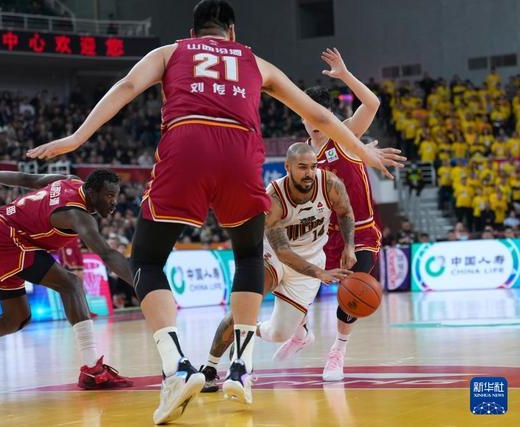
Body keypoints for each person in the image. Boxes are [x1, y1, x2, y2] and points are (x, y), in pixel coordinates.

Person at [27, 2, 404, 423]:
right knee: (248, 258)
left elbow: (127, 86)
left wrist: (77, 138)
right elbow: (319, 115)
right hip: (239, 154)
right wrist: (365, 151)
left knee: (147, 261)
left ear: (192, 32)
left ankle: (176, 368)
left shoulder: (170, 52)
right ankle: (241, 369)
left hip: (186, 144)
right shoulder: (255, 61)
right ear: (232, 31)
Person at [0, 167, 133, 393]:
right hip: (5, 238)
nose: (114, 202)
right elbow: (107, 254)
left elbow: (25, 178)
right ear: (92, 192)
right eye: (109, 195)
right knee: (71, 284)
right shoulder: (77, 214)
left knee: (15, 318)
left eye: (115, 196)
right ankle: (92, 369)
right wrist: (141, 284)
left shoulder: (69, 180)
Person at [200, 143, 355, 392]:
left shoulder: (330, 184)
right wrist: (320, 273)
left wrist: (349, 246)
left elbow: (345, 212)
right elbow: (283, 252)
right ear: (288, 167)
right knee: (245, 306)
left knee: (279, 334)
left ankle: (254, 331)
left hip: (311, 260)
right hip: (273, 255)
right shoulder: (273, 197)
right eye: (302, 167)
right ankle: (209, 367)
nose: (309, 173)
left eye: (313, 166)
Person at [291, 47, 385, 382]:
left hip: (360, 233)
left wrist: (344, 75)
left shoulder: (345, 134)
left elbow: (372, 104)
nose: (314, 121)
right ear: (301, 116)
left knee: (351, 293)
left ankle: (338, 351)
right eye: (308, 115)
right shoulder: (300, 156)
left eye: (320, 115)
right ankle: (301, 331)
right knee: (285, 281)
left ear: (328, 114)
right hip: (321, 237)